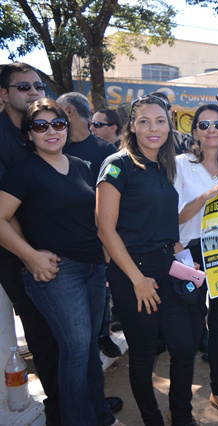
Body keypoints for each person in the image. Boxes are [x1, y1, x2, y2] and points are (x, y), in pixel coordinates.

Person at [0, 98, 115, 426]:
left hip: (93, 268)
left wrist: (105, 255)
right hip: (58, 273)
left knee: (89, 349)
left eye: (58, 123)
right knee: (77, 353)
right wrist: (30, 255)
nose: (51, 130)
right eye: (41, 125)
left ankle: (100, 415)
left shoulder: (81, 165)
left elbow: (92, 217)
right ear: (30, 133)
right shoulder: (23, 171)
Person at [96, 94, 200, 426]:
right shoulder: (118, 164)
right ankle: (152, 419)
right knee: (143, 356)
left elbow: (166, 226)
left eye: (160, 121)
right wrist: (137, 280)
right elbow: (105, 229)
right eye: (144, 121)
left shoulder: (163, 167)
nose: (153, 128)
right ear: (132, 126)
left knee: (184, 347)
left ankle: (181, 414)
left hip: (166, 268)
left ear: (169, 125)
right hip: (132, 274)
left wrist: (184, 260)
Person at [0, 62, 61, 426]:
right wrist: (29, 256)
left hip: (57, 252)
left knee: (66, 335)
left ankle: (75, 400)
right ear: (4, 94)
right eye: (24, 87)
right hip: (19, 257)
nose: (34, 92)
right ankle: (59, 411)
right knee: (43, 337)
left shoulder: (43, 129)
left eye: (38, 85)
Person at [173, 104, 218, 419]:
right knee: (186, 333)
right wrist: (207, 195)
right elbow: (173, 219)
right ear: (195, 132)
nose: (211, 130)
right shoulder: (179, 165)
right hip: (189, 253)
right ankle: (179, 405)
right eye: (204, 125)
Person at [57, 92, 122, 359]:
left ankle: (103, 335)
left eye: (59, 111)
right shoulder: (58, 148)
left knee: (101, 294)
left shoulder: (105, 150)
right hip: (67, 239)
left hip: (101, 235)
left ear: (70, 112)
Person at [57, 92, 118, 180]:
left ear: (69, 111)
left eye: (57, 110)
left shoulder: (107, 150)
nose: (54, 116)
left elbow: (115, 181)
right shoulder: (56, 148)